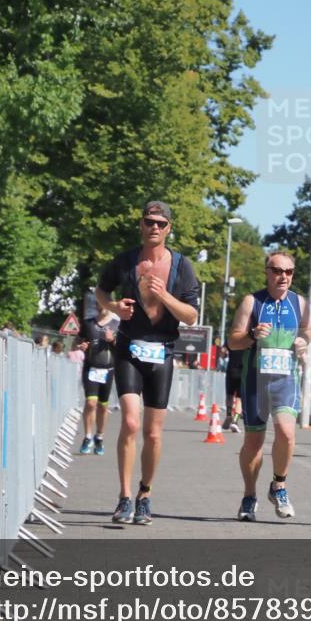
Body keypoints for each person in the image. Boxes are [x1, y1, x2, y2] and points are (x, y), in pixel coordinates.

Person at [95, 201, 200, 526]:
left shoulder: (181, 266)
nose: (155, 227)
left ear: (169, 228)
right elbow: (100, 291)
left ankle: (144, 493)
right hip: (129, 348)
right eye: (149, 221)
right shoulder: (126, 261)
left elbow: (191, 316)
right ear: (141, 224)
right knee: (130, 422)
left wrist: (165, 295)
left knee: (153, 434)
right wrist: (115, 307)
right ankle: (124, 496)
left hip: (162, 353)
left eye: (161, 223)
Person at [227, 251, 310, 521]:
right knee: (254, 441)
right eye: (277, 271)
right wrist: (252, 335)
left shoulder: (300, 303)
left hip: (286, 379)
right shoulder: (252, 301)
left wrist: (303, 341)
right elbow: (233, 341)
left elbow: (307, 330)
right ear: (267, 272)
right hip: (255, 380)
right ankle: (249, 495)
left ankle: (279, 485)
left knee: (286, 433)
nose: (283, 276)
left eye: (289, 272)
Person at [75, 305, 120, 455]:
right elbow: (77, 342)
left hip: (108, 370)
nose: (102, 306)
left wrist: (112, 340)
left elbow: (124, 347)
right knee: (90, 402)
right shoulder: (88, 323)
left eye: (105, 303)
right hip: (91, 368)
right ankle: (87, 437)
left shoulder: (117, 323)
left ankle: (99, 437)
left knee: (102, 406)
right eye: (99, 303)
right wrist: (81, 346)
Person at [222, 348, 244, 434]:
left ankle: (228, 414)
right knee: (239, 398)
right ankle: (235, 421)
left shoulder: (231, 340)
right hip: (243, 370)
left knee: (229, 395)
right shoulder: (248, 341)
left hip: (231, 369)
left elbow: (223, 351)